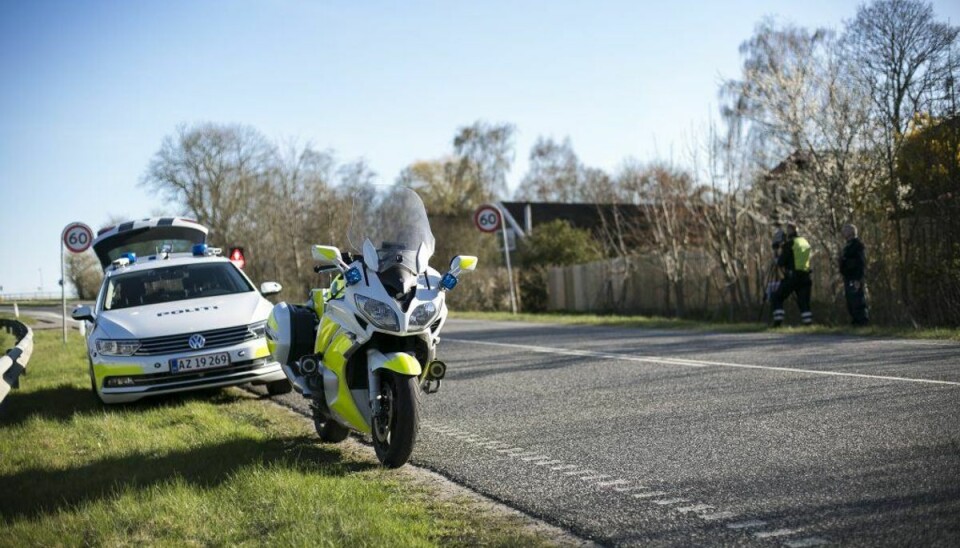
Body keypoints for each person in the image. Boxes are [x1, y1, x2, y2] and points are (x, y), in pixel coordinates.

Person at [771, 222, 813, 327]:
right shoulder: (804, 241)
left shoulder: (790, 244)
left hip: (793, 276)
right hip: (805, 275)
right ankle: (808, 323)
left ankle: (777, 322)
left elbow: (781, 262)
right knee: (804, 302)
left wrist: (777, 250)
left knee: (777, 297)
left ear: (791, 230)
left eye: (787, 230)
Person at [839, 223, 869, 326]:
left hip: (855, 277)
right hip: (848, 277)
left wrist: (858, 279)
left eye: (845, 230)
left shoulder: (857, 245)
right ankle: (855, 322)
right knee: (850, 301)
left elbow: (861, 262)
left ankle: (862, 322)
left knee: (857, 300)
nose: (843, 232)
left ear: (851, 232)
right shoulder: (848, 245)